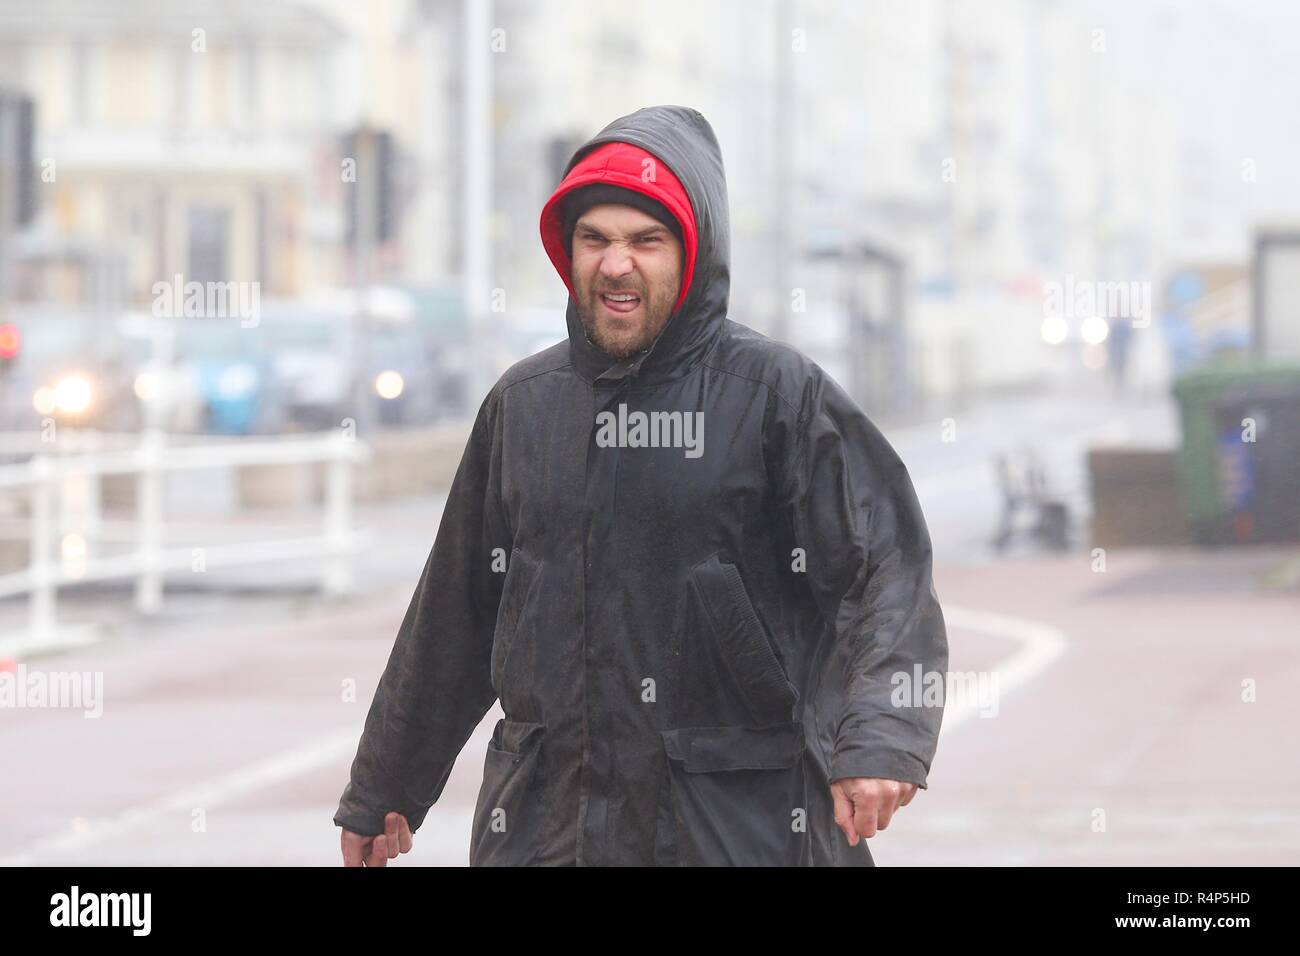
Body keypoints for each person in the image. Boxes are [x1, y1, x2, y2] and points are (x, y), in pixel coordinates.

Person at [335, 104, 948, 867]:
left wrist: (885, 735)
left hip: (740, 828)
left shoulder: (776, 395)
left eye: (644, 241)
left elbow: (886, 568)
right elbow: (455, 612)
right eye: (595, 239)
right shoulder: (524, 406)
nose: (616, 264)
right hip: (544, 827)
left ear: (692, 253)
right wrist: (384, 786)